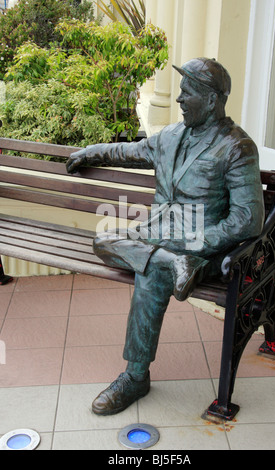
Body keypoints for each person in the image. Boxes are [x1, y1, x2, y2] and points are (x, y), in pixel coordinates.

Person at [66, 58, 264, 415]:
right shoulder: (171, 136)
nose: (179, 100)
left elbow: (248, 219)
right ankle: (173, 263)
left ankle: (135, 376)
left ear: (212, 100)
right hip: (158, 238)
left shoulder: (237, 147)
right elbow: (127, 152)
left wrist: (197, 246)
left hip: (202, 247)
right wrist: (89, 152)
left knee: (149, 271)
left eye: (187, 93)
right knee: (103, 240)